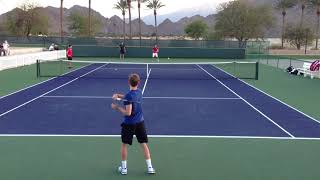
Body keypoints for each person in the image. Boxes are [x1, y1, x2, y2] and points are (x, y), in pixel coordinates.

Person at [111, 74, 155, 175]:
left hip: (129, 124)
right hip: (140, 122)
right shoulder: (139, 92)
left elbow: (128, 112)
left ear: (128, 82)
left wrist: (116, 107)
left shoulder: (128, 96)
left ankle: (124, 169)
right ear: (138, 83)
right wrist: (118, 95)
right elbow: (129, 97)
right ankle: (150, 167)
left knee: (124, 145)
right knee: (144, 144)